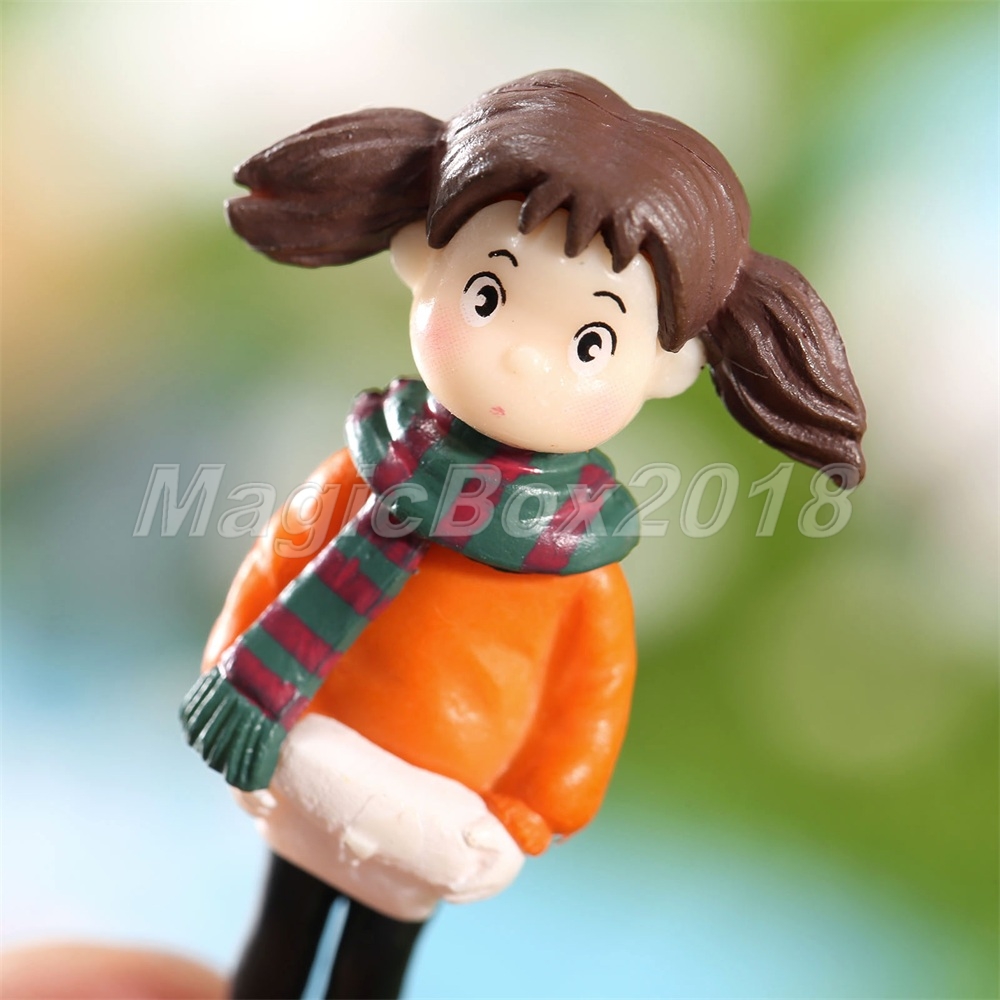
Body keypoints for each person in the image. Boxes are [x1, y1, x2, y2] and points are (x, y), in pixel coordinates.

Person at [181, 69, 866, 999]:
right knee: (279, 935)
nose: (520, 358)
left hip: (436, 814)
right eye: (488, 296)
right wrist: (238, 681)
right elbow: (276, 567)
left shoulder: (578, 566)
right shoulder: (363, 472)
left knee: (372, 969)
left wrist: (534, 808)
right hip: (309, 750)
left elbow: (591, 695)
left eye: (590, 343)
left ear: (666, 369)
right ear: (422, 257)